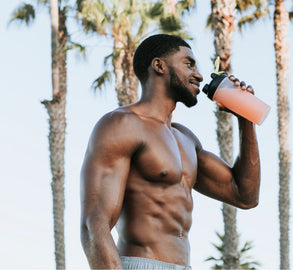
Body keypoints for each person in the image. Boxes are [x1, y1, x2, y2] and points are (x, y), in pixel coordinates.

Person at [80, 34, 261, 270]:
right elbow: (94, 225)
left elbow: (245, 196)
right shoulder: (122, 124)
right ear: (159, 66)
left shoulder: (185, 138)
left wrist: (246, 120)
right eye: (189, 64)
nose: (199, 75)